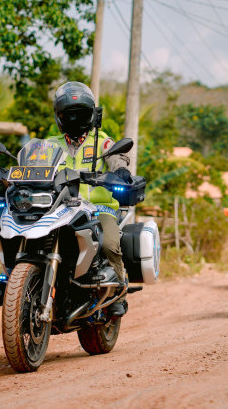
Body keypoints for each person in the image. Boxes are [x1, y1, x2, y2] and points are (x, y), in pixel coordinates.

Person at [52, 81, 130, 316]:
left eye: (81, 114)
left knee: (108, 244)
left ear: (92, 115)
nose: (74, 120)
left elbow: (118, 158)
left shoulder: (102, 142)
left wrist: (120, 171)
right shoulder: (50, 146)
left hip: (99, 209)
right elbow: (31, 165)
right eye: (69, 114)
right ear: (59, 116)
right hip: (62, 208)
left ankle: (118, 289)